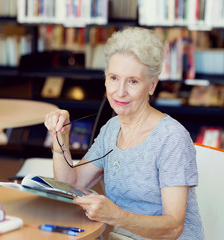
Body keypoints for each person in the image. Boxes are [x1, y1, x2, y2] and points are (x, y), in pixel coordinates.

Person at [45, 27, 204, 240]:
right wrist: (60, 139)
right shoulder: (112, 128)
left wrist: (117, 217)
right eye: (113, 78)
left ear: (152, 85)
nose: (120, 92)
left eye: (133, 81)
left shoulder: (171, 138)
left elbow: (173, 227)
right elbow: (71, 186)